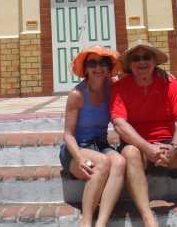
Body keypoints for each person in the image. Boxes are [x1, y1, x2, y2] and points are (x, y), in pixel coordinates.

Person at [110, 41, 177, 227]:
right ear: (130, 64)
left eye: (146, 57)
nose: (141, 62)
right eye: (136, 58)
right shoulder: (120, 87)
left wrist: (174, 147)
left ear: (154, 61)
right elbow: (119, 124)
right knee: (129, 153)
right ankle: (149, 220)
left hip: (169, 146)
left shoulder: (169, 83)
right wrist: (148, 148)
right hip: (139, 148)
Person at [60, 46, 126, 227]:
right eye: (92, 63)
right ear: (85, 69)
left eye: (103, 63)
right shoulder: (77, 95)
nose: (98, 68)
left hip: (100, 145)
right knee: (104, 163)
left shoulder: (110, 86)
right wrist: (80, 158)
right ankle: (86, 221)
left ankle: (101, 222)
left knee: (120, 162)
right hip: (76, 149)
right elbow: (68, 135)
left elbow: (136, 75)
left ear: (109, 67)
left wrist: (163, 74)